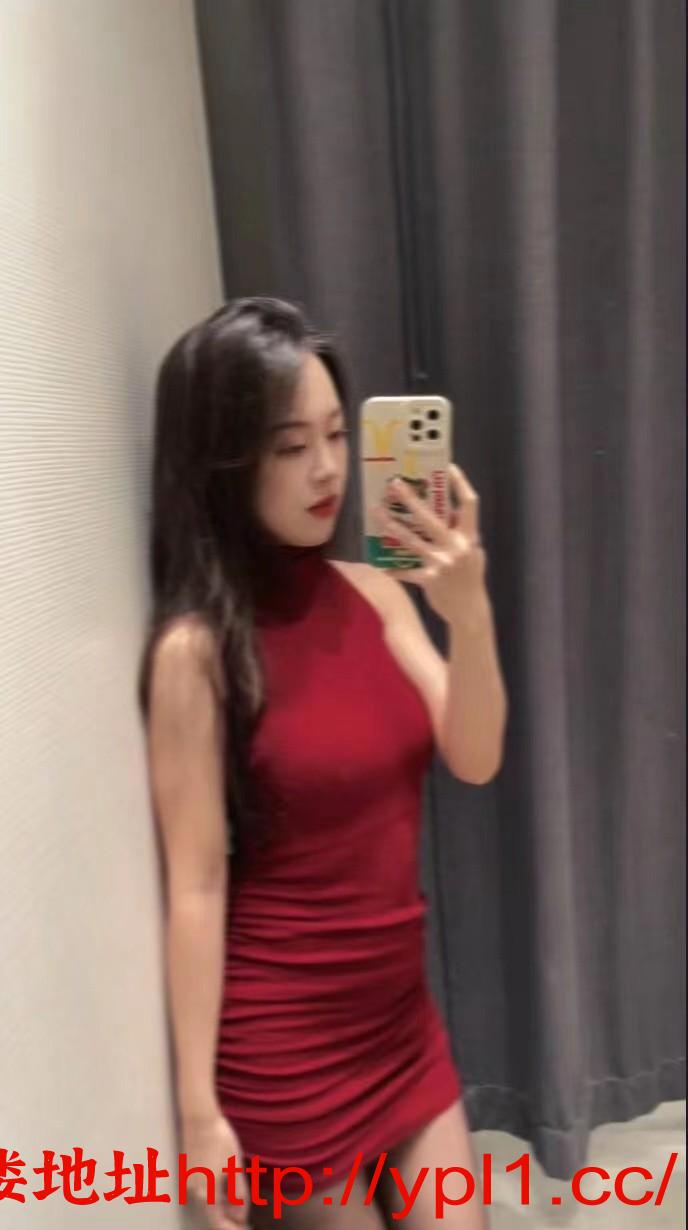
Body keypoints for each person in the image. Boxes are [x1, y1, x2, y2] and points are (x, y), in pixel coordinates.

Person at [139, 297, 495, 1228]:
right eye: (290, 446)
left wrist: (470, 616)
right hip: (287, 1053)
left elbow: (475, 756)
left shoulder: (375, 592)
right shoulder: (196, 654)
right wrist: (198, 1113)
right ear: (224, 460)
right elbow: (196, 885)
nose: (329, 469)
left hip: (400, 1023)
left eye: (338, 435)